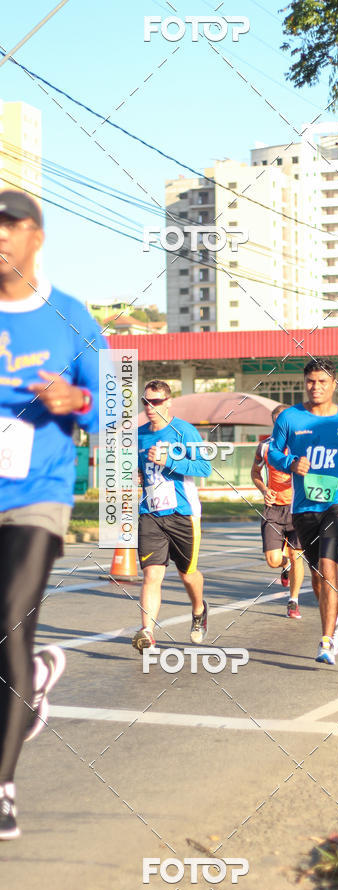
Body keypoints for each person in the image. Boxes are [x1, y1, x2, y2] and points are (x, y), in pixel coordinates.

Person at [0, 189, 105, 839]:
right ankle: (35, 681)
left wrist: (77, 399)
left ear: (37, 236)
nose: (0, 236)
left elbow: (115, 409)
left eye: (11, 225)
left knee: (9, 625)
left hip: (38, 498)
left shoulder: (70, 317)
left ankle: (3, 786)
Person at [268, 358, 338, 665]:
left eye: (322, 381)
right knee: (317, 575)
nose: (316, 387)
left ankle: (326, 641)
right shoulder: (289, 418)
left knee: (328, 567)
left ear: (334, 384)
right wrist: (290, 463)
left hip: (337, 503)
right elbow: (273, 451)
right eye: (311, 381)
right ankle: (334, 618)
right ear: (305, 383)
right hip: (303, 508)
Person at [131, 380, 212, 653]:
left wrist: (170, 461)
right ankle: (147, 632)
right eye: (146, 402)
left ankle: (199, 609)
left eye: (155, 402)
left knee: (187, 574)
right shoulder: (139, 435)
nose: (150, 407)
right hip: (150, 512)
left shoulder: (184, 431)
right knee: (151, 575)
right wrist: (138, 474)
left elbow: (204, 467)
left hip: (183, 512)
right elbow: (141, 469)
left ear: (168, 402)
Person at [251, 405, 305, 618]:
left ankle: (293, 601)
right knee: (273, 560)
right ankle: (285, 564)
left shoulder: (304, 445)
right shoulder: (264, 447)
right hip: (274, 509)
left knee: (297, 554)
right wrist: (264, 489)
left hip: (299, 509)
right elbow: (255, 472)